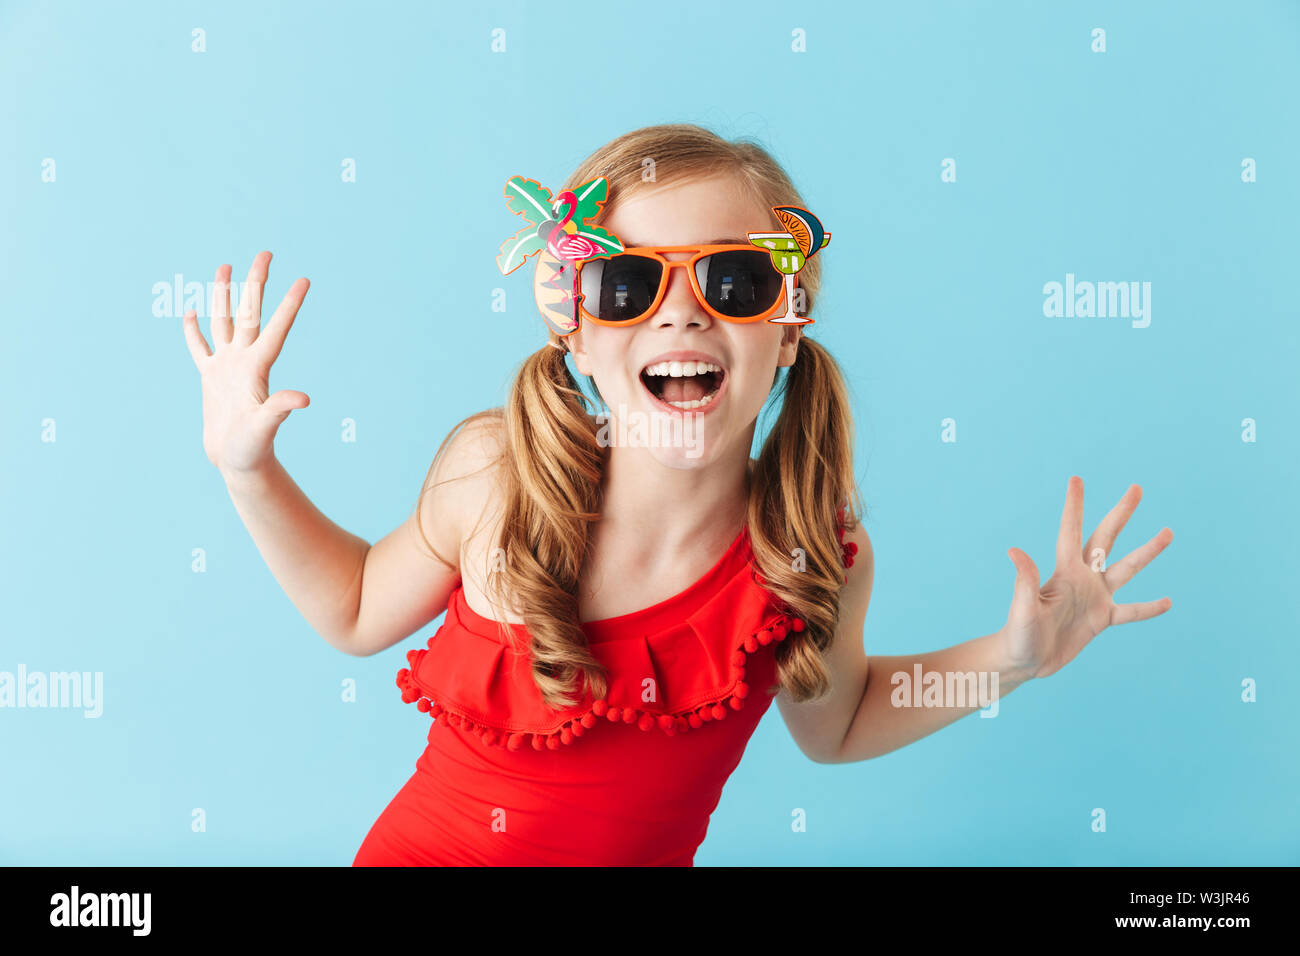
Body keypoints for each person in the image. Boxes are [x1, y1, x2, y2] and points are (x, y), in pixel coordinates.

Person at [180, 123, 1173, 866]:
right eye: (631, 285)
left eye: (734, 281)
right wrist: (247, 468)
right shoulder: (496, 478)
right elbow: (354, 609)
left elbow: (843, 718)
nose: (684, 313)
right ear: (574, 324)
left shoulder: (805, 551)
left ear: (786, 326)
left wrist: (1012, 659)